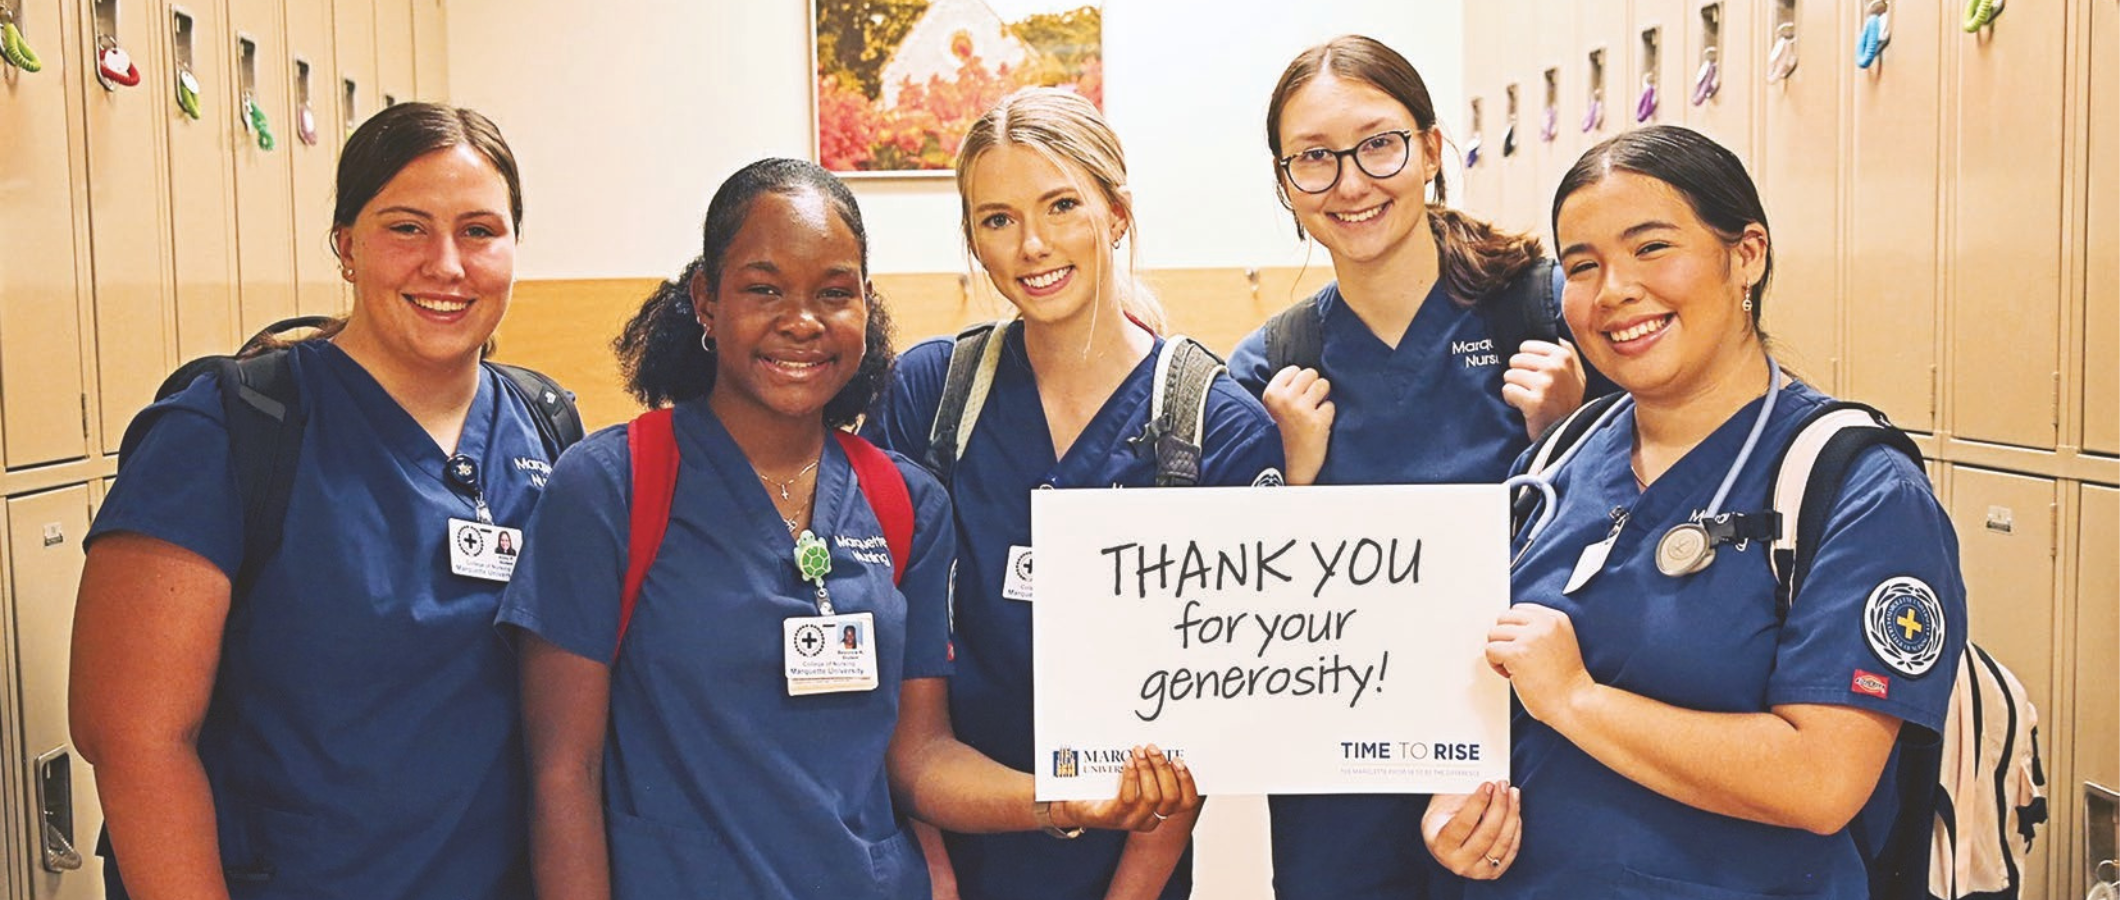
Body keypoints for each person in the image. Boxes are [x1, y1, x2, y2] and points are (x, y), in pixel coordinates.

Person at [503, 157, 1195, 900]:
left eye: (834, 293)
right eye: (764, 289)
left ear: (866, 304)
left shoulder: (905, 504)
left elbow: (920, 758)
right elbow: (560, 774)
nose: (801, 321)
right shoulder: (613, 486)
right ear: (706, 299)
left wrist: (1064, 801)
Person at [1421, 124, 1968, 898]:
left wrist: (1578, 699)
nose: (1613, 290)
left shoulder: (1853, 488)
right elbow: (1483, 693)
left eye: (1650, 248)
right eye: (1583, 265)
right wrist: (1453, 805)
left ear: (1746, 254)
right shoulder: (1557, 458)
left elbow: (1823, 779)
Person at [71, 102, 546, 899]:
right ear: (346, 246)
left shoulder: (547, 430)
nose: (446, 264)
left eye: (478, 231)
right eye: (406, 228)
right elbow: (132, 739)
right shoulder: (228, 430)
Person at [862, 88, 1286, 900]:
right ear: (973, 239)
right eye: (997, 219)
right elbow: (893, 675)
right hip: (940, 845)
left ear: (1116, 214)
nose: (1031, 245)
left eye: (1061, 205)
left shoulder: (1212, 425)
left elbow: (1203, 723)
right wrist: (932, 874)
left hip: (1125, 867)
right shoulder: (931, 396)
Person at [1224, 35, 1597, 900]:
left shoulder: (1546, 313)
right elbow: (1233, 606)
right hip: (1338, 770)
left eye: (1378, 144)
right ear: (1285, 183)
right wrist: (1292, 477)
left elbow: (1642, 516)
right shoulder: (1269, 369)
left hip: (1520, 746)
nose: (1350, 182)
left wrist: (1569, 431)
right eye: (1314, 159)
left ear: (1432, 150)